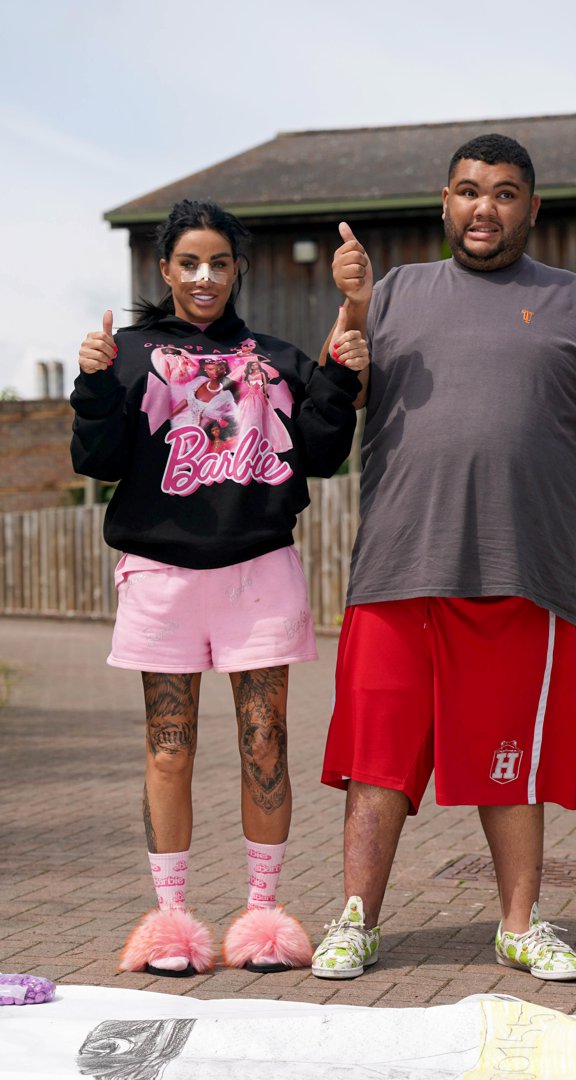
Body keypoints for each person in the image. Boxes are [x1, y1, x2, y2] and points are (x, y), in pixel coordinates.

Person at [311, 134, 576, 982]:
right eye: (468, 191)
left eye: (505, 193)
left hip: (520, 572)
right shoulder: (397, 292)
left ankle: (518, 924)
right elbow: (347, 392)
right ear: (445, 202)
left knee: (507, 766)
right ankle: (355, 919)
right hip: (398, 566)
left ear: (532, 207)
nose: (484, 207)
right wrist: (349, 309)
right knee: (376, 764)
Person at [70, 198, 368, 978]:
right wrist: (96, 384)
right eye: (189, 263)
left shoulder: (273, 357)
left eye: (220, 263)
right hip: (162, 577)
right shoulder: (128, 353)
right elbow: (97, 460)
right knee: (170, 749)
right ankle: (171, 923)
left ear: (238, 271)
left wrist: (340, 373)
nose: (205, 277)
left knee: (265, 742)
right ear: (165, 269)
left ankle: (263, 916)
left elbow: (324, 451)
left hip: (258, 570)